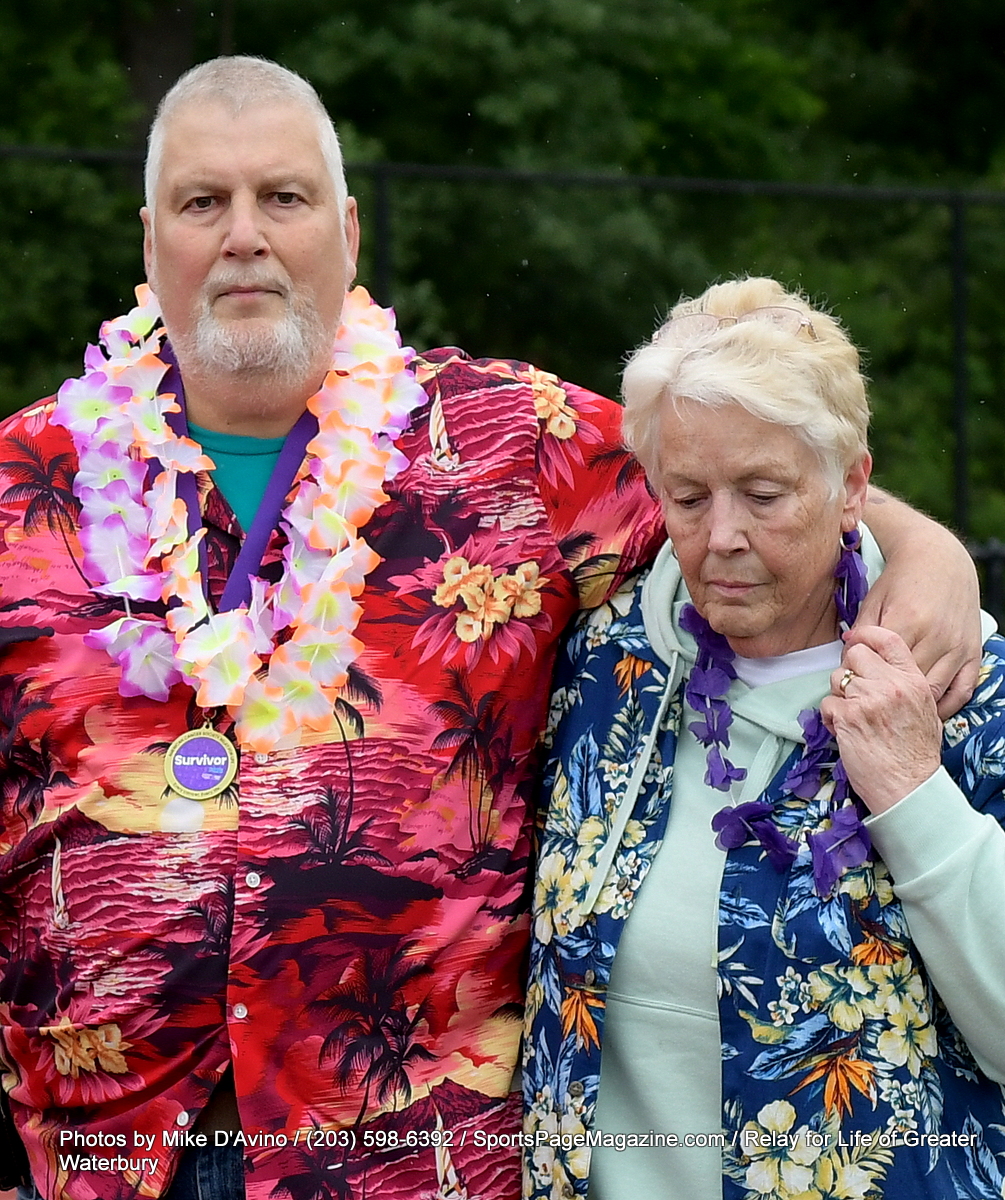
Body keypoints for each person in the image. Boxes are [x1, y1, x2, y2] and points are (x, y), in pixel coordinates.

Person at [0, 59, 981, 1200]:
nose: (244, 236)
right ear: (150, 237)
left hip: (405, 1164)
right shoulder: (22, 485)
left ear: (347, 230)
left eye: (284, 198)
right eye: (202, 202)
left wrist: (925, 549)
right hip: (98, 1161)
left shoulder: (516, 444)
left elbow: (752, 476)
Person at [522, 276, 1005, 1200]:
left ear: (851, 484)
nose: (722, 538)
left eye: (762, 494)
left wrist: (911, 790)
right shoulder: (596, 669)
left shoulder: (962, 690)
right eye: (688, 497)